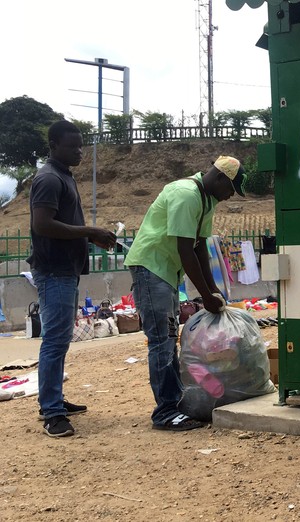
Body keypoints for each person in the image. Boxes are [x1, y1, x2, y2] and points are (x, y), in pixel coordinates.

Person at [125, 155, 246, 431]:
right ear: (218, 178)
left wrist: (213, 289)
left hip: (166, 271)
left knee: (168, 337)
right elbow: (185, 249)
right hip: (151, 266)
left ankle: (175, 404)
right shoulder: (186, 194)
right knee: (162, 340)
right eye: (230, 189)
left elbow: (200, 246)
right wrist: (204, 295)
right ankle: (165, 412)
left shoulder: (207, 201)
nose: (229, 197)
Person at [29, 120, 116, 437]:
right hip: (54, 270)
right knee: (54, 340)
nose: (80, 151)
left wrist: (89, 238)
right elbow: (43, 225)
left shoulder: (63, 175)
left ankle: (54, 400)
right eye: (72, 146)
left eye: (81, 145)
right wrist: (89, 231)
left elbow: (61, 223)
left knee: (60, 339)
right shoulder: (49, 179)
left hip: (65, 268)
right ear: (53, 145)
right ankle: (51, 413)